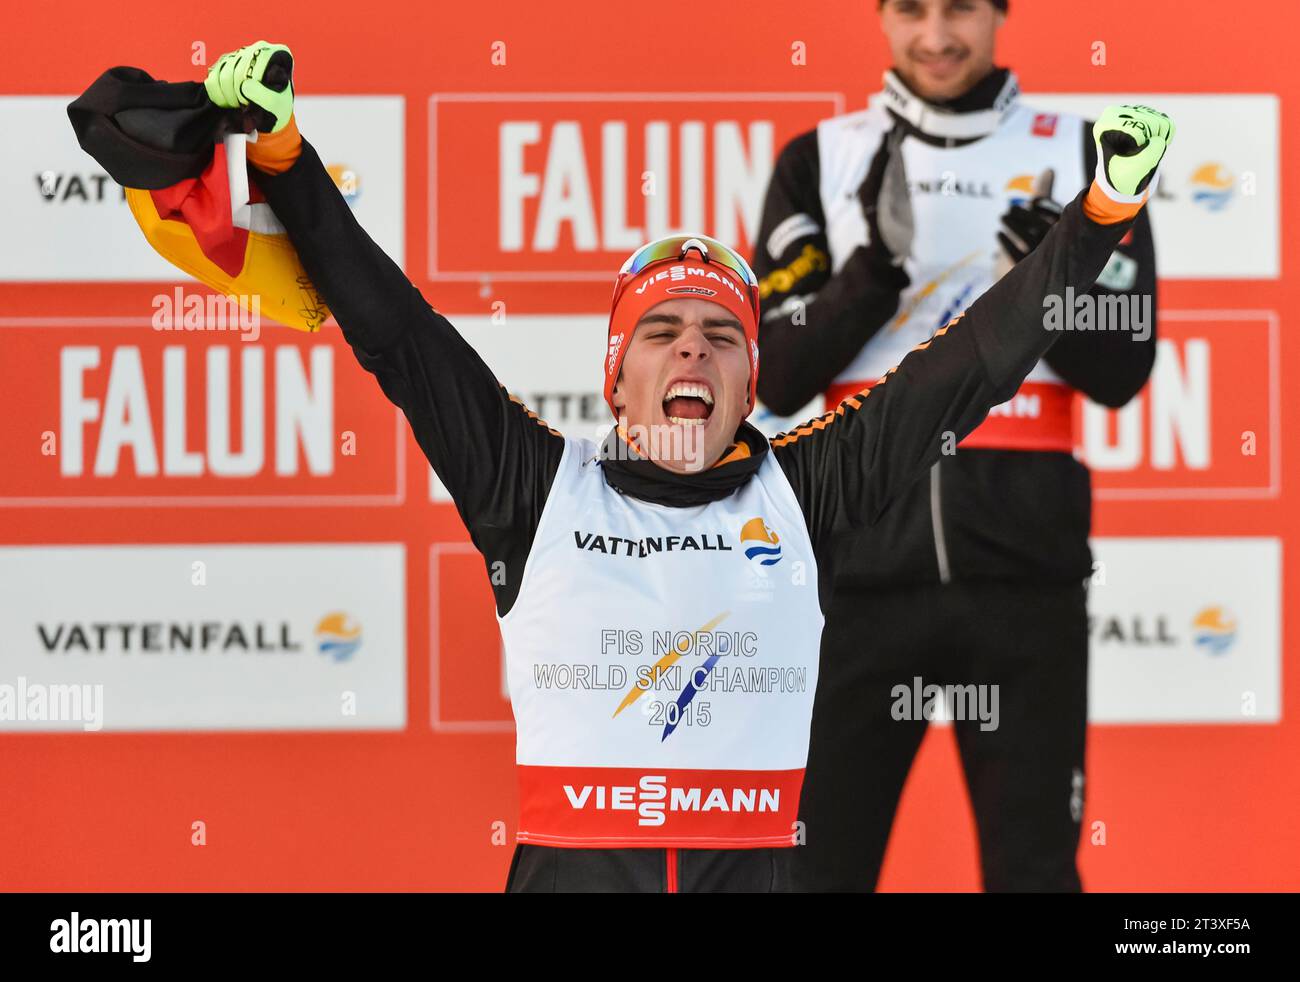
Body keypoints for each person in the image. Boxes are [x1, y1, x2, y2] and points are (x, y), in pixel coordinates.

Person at [203, 41, 1170, 892]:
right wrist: (286, 162)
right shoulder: (533, 489)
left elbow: (972, 364)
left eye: (721, 335)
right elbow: (398, 333)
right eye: (661, 332)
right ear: (617, 376)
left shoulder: (809, 490)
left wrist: (1099, 213)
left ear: (754, 382)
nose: (693, 352)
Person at [752, 0, 1159, 892]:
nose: (937, 36)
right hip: (855, 582)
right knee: (817, 874)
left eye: (963, 9)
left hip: (1022, 583)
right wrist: (870, 279)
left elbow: (1124, 370)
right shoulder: (820, 159)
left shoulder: (1089, 155)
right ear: (881, 17)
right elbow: (773, 376)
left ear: (1003, 12)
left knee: (1035, 875)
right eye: (912, 10)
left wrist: (1051, 279)